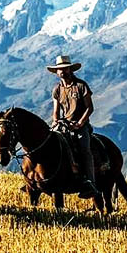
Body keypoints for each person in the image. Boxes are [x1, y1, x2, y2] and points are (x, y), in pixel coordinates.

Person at [48, 55, 100, 199]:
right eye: (59, 70)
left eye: (64, 69)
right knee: (49, 144)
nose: (62, 72)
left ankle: (90, 182)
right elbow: (55, 111)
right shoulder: (57, 90)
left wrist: (80, 123)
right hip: (64, 124)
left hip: (80, 125)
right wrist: (56, 121)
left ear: (70, 70)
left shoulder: (81, 86)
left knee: (85, 150)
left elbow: (89, 108)